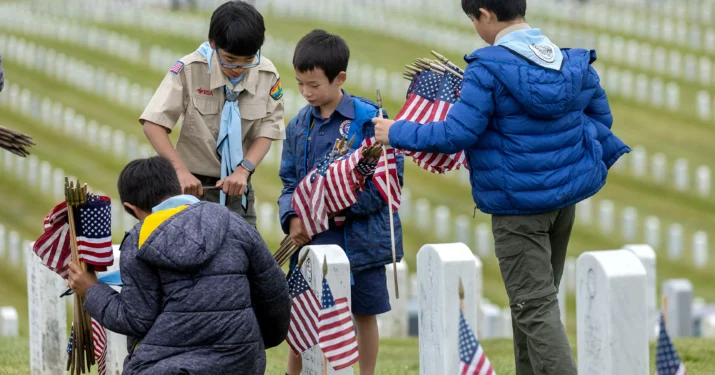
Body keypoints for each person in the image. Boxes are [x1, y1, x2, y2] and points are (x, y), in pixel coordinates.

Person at [373, 0, 630, 373]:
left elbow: (457, 132)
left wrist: (395, 131)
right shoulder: (569, 62)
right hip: (562, 203)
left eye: (473, 19)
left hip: (516, 209)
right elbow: (600, 118)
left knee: (534, 307)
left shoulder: (487, 68)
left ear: (486, 14)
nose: (475, 28)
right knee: (533, 304)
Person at [67, 156, 291, 374]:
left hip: (166, 366)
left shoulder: (139, 240)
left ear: (131, 207)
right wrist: (257, 345)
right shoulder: (235, 223)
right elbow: (275, 294)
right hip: (242, 363)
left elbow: (135, 319)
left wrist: (92, 290)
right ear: (179, 189)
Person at [277, 29, 404, 375]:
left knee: (364, 312)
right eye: (301, 83)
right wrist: (291, 217)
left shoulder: (369, 120)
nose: (306, 92)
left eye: (314, 85)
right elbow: (289, 180)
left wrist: (340, 204)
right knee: (302, 310)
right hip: (312, 237)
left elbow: (388, 182)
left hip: (359, 238)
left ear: (340, 78)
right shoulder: (298, 125)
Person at [139, 1, 285, 228]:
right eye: (230, 59)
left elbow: (269, 127)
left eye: (248, 60)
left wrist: (244, 170)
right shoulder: (189, 68)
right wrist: (180, 171)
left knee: (244, 254)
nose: (239, 68)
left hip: (238, 184)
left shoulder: (266, 74)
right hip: (192, 185)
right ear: (213, 44)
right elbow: (153, 123)